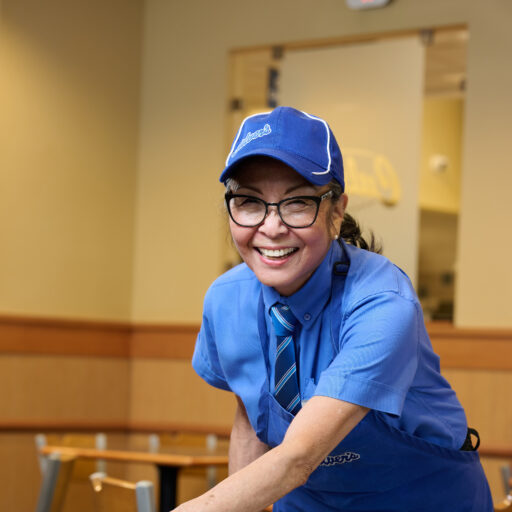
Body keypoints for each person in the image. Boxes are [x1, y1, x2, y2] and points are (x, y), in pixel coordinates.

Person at [176, 107, 492, 511]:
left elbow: (298, 457)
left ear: (337, 211)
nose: (271, 227)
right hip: (308, 499)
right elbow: (251, 422)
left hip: (418, 497)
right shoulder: (226, 300)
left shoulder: (382, 302)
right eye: (251, 202)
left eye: (297, 203)